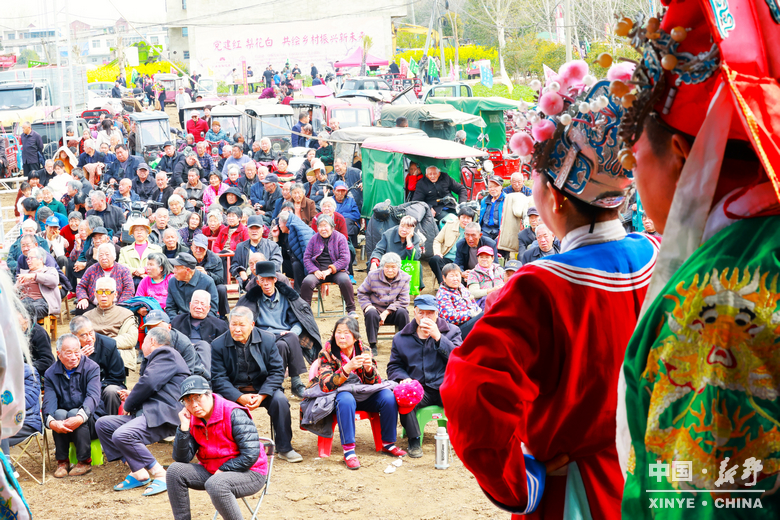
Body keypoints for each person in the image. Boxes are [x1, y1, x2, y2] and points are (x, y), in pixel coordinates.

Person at [441, 69, 658, 518]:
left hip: (575, 491)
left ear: (555, 199)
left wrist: (520, 482)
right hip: (653, 477)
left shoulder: (539, 289)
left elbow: (472, 394)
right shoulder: (660, 256)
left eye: (534, 176)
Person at [612, 4, 780, 514]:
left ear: (682, 155)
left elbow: (704, 500)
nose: (634, 185)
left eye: (634, 158)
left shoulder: (721, 301)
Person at [96, 327, 190, 497]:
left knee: (122, 435)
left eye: (144, 339)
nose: (142, 343)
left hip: (163, 414)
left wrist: (128, 404)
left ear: (152, 341)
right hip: (150, 412)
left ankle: (160, 474)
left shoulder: (166, 354)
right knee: (104, 424)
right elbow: (156, 385)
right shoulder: (157, 358)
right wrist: (132, 395)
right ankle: (138, 471)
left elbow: (149, 383)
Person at [167, 375, 269, 520]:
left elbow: (250, 455)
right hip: (213, 471)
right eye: (188, 400)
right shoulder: (194, 419)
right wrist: (183, 427)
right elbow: (182, 458)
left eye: (198, 397)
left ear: (209, 394)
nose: (194, 404)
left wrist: (223, 470)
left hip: (250, 472)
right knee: (174, 471)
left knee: (216, 484)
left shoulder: (234, 413)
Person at [310, 317, 406, 469]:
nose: (341, 336)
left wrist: (369, 370)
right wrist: (346, 369)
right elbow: (325, 385)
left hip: (363, 394)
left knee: (387, 396)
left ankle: (388, 443)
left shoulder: (364, 349)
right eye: (338, 332)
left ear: (355, 336)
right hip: (338, 396)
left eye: (346, 333)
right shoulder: (327, 352)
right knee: (346, 399)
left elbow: (375, 383)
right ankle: (349, 451)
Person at [211, 306, 303, 463]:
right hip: (234, 390)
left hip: (263, 389)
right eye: (234, 324)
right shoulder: (218, 344)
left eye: (242, 325)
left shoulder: (267, 339)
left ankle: (285, 448)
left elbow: (277, 372)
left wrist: (262, 396)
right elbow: (218, 379)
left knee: (280, 401)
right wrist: (239, 397)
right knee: (217, 403)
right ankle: (226, 449)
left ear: (252, 325)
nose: (237, 329)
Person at [387, 295, 461, 457]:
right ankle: (414, 439)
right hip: (419, 389)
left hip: (445, 387)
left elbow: (459, 359)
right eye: (421, 313)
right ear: (414, 312)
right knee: (403, 395)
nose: (426, 317)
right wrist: (403, 378)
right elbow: (393, 366)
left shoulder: (452, 331)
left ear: (437, 314)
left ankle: (462, 436)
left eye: (430, 313)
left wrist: (439, 337)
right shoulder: (401, 338)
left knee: (466, 394)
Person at [235, 261, 316, 398]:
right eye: (262, 280)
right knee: (287, 340)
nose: (266, 283)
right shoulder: (252, 299)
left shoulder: (287, 297)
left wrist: (293, 331)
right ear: (258, 282)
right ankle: (291, 383)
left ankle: (285, 384)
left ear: (275, 280)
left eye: (268, 279)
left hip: (284, 335)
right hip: (262, 336)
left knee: (285, 343)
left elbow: (299, 321)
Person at [43, 334, 101, 478]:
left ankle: (84, 461)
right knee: (58, 414)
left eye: (77, 352)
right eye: (69, 353)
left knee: (75, 412)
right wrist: (51, 422)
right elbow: (49, 401)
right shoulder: (51, 373)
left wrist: (81, 417)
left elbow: (93, 396)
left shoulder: (92, 368)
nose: (74, 357)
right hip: (64, 424)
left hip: (89, 421)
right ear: (59, 354)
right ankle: (62, 462)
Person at [70, 316, 126, 416]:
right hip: (79, 386)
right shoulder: (67, 348)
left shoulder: (108, 345)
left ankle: (110, 425)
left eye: (91, 333)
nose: (90, 339)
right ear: (74, 336)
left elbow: (118, 377)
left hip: (105, 385)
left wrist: (96, 387)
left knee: (112, 391)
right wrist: (77, 361)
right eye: (84, 335)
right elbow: (63, 376)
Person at [357, 252, 410, 356]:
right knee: (370, 313)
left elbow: (404, 300)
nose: (390, 270)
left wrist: (386, 312)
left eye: (393, 267)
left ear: (398, 267)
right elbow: (362, 292)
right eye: (387, 267)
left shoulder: (405, 277)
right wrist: (368, 306)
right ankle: (372, 345)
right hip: (376, 309)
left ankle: (404, 344)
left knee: (403, 312)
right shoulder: (372, 276)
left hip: (394, 311)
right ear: (382, 267)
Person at [300, 215, 356, 314]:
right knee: (307, 282)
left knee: (345, 280)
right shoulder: (313, 239)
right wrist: (315, 270)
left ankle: (351, 310)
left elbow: (345, 259)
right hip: (319, 271)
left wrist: (330, 270)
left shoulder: (340, 238)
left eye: (325, 226)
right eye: (320, 226)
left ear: (332, 227)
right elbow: (307, 258)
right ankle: (305, 312)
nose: (323, 229)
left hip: (337, 271)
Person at [84, 276, 139, 371]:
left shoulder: (126, 314)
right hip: (92, 354)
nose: (104, 295)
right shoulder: (86, 317)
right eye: (100, 292)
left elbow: (131, 338)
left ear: (115, 294)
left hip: (116, 354)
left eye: (108, 291)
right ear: (95, 294)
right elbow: (78, 338)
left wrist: (105, 345)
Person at [171, 290, 228, 373]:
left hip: (207, 361)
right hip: (182, 358)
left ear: (208, 308)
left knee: (203, 345)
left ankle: (205, 379)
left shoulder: (220, 325)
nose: (198, 307)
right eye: (196, 302)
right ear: (190, 305)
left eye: (202, 304)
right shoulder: (177, 321)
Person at [75, 243, 134, 314]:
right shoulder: (92, 269)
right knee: (81, 308)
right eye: (101, 255)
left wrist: (120, 306)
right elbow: (81, 286)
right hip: (95, 306)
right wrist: (83, 298)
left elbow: (129, 289)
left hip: (116, 306)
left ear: (114, 256)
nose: (104, 257)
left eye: (107, 254)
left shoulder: (123, 270)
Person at [231, 215, 283, 287]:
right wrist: (240, 271)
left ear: (262, 229)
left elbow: (276, 264)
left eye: (257, 228)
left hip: (268, 280)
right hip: (247, 282)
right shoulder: (240, 247)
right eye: (251, 228)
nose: (254, 231)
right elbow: (234, 266)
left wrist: (259, 272)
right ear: (247, 229)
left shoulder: (272, 246)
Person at [430, 206, 475, 284]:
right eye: (463, 217)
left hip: (462, 261)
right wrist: (438, 252)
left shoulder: (475, 230)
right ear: (458, 218)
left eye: (468, 218)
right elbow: (437, 240)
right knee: (434, 260)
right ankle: (443, 284)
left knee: (461, 282)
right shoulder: (449, 225)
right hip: (447, 258)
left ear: (472, 220)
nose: (465, 220)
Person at [436, 263, 482, 338]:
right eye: (452, 276)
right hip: (455, 329)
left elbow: (472, 301)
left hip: (469, 321)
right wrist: (471, 314)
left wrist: (477, 310)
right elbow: (450, 317)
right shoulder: (443, 294)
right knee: (482, 317)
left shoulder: (461, 287)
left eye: (457, 275)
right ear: (444, 278)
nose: (455, 279)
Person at [166, 252, 219, 318]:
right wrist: (177, 322)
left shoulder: (208, 282)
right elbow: (170, 308)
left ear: (187, 270)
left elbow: (212, 309)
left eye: (176, 268)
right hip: (180, 321)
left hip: (203, 321)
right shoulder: (172, 281)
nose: (173, 271)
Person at [189, 234, 229, 319]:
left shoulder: (215, 259)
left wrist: (207, 274)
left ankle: (222, 316)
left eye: (201, 248)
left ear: (206, 248)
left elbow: (220, 280)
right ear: (191, 247)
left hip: (210, 286)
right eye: (196, 247)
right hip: (190, 284)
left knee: (221, 288)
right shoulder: (186, 257)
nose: (198, 250)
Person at [15, 245, 60, 320]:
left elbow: (54, 281)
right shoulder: (25, 273)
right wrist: (17, 285)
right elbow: (14, 292)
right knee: (12, 308)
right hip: (24, 301)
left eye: (31, 258)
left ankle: (28, 330)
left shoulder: (50, 270)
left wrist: (35, 276)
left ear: (40, 259)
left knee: (26, 310)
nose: (28, 261)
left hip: (41, 303)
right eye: (27, 259)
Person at [276, 210, 314, 292]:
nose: (279, 226)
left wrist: (309, 272)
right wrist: (276, 238)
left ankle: (298, 292)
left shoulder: (300, 231)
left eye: (280, 223)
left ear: (286, 222)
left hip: (305, 266)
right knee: (276, 263)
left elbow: (306, 253)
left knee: (296, 264)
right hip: (293, 263)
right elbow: (279, 254)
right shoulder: (287, 233)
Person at [118, 218, 163, 284]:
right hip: (130, 284)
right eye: (136, 230)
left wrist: (144, 270)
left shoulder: (157, 249)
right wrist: (136, 271)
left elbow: (159, 265)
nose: (139, 232)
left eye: (142, 229)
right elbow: (121, 266)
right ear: (133, 234)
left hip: (152, 283)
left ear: (147, 233)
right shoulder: (124, 250)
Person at [17, 309, 55, 383]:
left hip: (39, 374)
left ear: (26, 319)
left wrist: (26, 368)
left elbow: (47, 360)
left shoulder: (39, 333)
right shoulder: (13, 332)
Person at [478, 176, 506, 241]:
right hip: (485, 231)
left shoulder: (507, 200)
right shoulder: (484, 201)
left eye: (496, 186)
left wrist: (501, 234)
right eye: (490, 187)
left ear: (501, 187)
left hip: (500, 231)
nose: (492, 189)